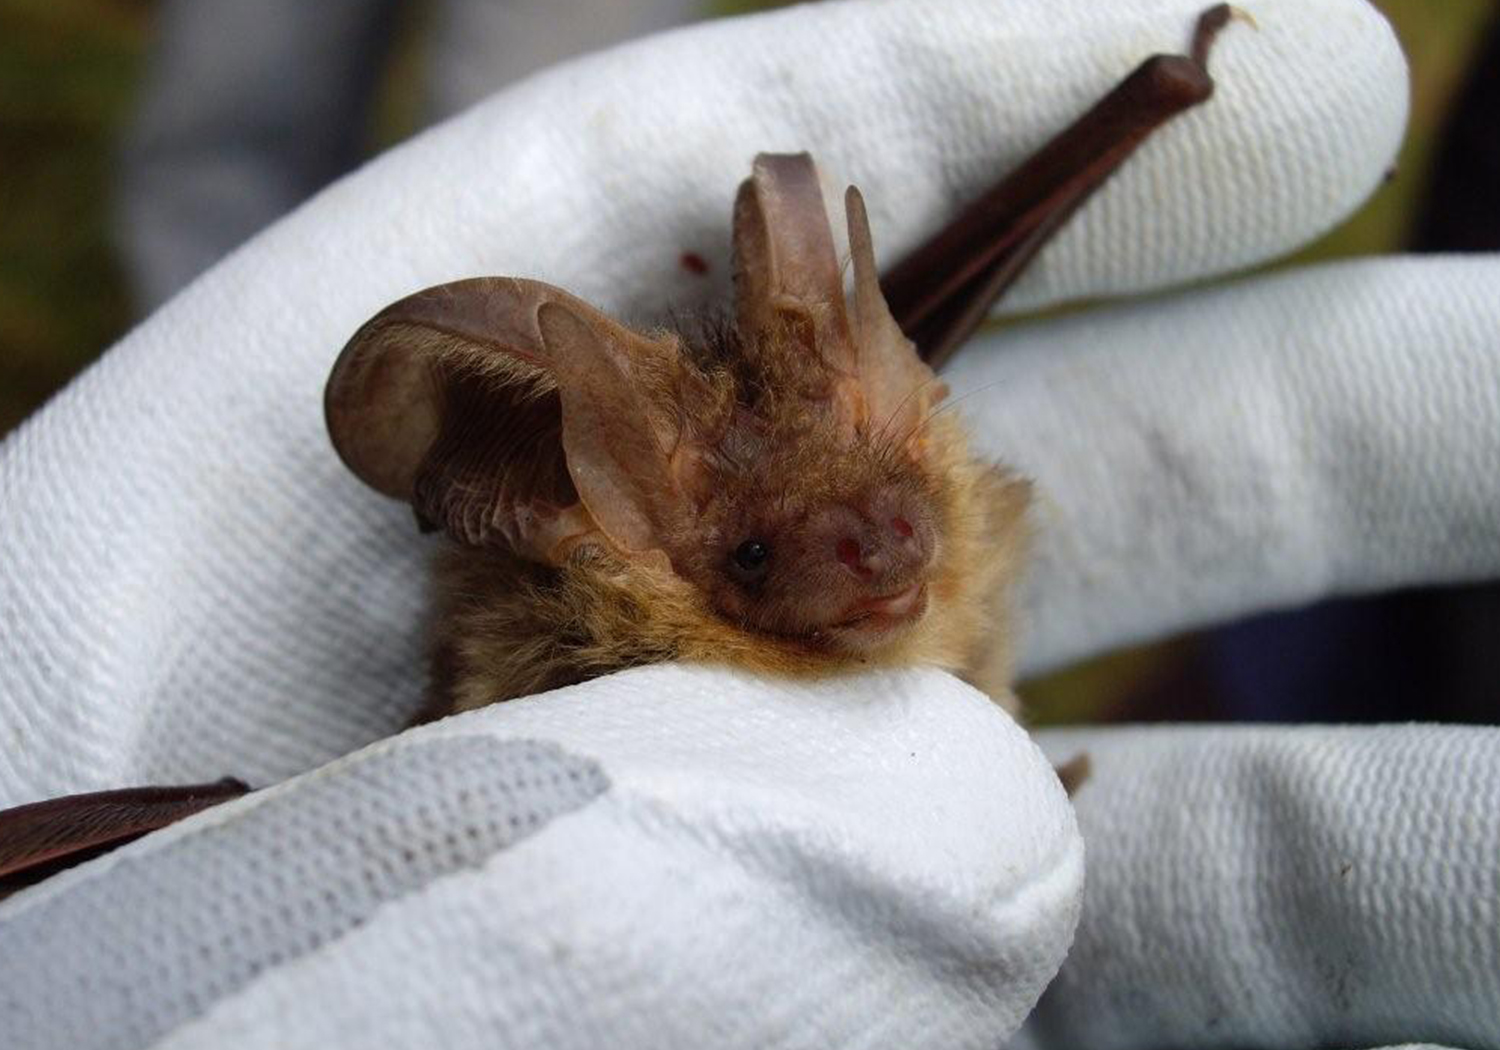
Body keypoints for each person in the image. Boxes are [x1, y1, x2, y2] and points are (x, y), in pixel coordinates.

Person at [2, 0, 1496, 1046]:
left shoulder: (919, 498)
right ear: (641, 557)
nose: (880, 554)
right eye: (763, 553)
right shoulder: (608, 663)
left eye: (891, 501)